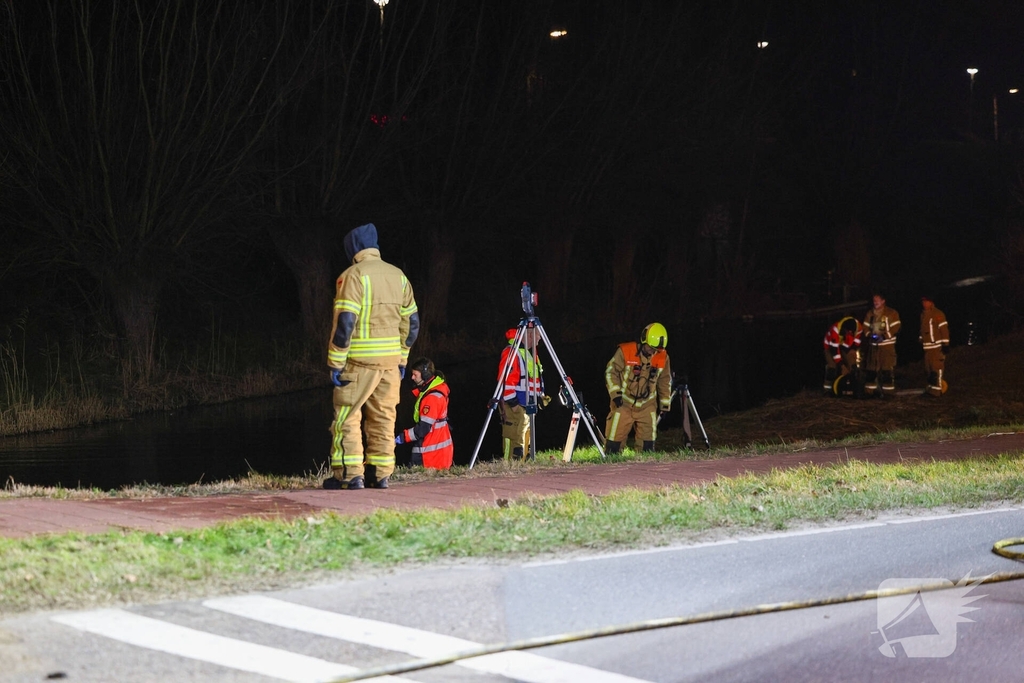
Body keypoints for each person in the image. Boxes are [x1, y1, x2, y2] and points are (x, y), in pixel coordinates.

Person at [323, 223, 419, 490]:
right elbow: (412, 323)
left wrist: (335, 362)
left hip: (358, 363)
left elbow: (345, 324)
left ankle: (350, 475)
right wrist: (402, 358)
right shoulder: (398, 276)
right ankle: (381, 474)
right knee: (384, 418)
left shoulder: (352, 276)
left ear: (353, 249)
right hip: (390, 364)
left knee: (347, 417)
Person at [604, 322, 672, 453]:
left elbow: (665, 380)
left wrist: (665, 405)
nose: (654, 352)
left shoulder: (663, 357)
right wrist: (615, 394)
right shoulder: (625, 351)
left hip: (647, 405)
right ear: (643, 340)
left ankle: (644, 470)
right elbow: (610, 372)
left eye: (657, 350)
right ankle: (611, 465)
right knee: (614, 442)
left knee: (647, 445)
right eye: (651, 348)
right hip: (624, 403)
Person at [497, 325, 546, 460]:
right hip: (515, 406)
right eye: (538, 335)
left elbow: (531, 379)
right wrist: (513, 405)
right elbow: (506, 381)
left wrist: (539, 396)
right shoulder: (513, 352)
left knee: (524, 442)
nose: (540, 338)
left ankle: (522, 467)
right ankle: (508, 470)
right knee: (514, 443)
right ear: (529, 336)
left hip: (526, 405)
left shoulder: (528, 353)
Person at [395, 357, 453, 470]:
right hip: (437, 449)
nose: (412, 378)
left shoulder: (431, 398)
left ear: (425, 375)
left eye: (415, 375)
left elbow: (423, 429)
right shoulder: (435, 390)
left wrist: (402, 437)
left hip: (430, 454)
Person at [862, 293, 901, 398]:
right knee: (871, 368)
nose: (875, 303)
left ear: (883, 301)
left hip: (886, 346)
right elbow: (865, 327)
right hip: (873, 346)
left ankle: (888, 393)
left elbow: (896, 327)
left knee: (886, 368)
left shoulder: (891, 313)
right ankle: (870, 392)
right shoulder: (870, 314)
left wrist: (884, 337)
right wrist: (869, 335)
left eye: (877, 300)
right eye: (874, 300)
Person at [822, 315, 862, 396]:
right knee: (832, 367)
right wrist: (842, 366)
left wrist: (853, 349)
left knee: (852, 365)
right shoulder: (835, 330)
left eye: (851, 332)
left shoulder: (859, 327)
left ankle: (853, 386)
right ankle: (828, 390)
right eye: (848, 332)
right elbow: (834, 351)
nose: (850, 333)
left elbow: (857, 340)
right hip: (830, 347)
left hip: (846, 346)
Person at [919, 295, 950, 397]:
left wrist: (945, 344)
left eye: (926, 301)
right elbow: (922, 330)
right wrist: (921, 340)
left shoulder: (938, 314)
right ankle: (930, 389)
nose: (924, 304)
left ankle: (937, 391)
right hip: (927, 347)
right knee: (928, 369)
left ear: (931, 302)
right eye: (923, 302)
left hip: (937, 346)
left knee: (937, 368)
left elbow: (944, 329)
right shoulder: (923, 315)